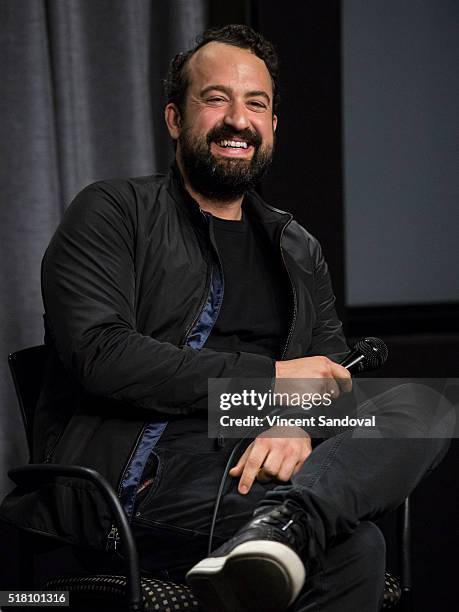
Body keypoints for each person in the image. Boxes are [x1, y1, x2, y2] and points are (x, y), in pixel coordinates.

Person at [0, 25, 452, 612]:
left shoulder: (295, 245)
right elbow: (101, 356)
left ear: (271, 127)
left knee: (430, 405)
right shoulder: (113, 212)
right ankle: (294, 527)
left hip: (268, 459)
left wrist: (293, 424)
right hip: (149, 469)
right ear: (173, 118)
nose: (238, 119)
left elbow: (335, 383)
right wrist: (271, 383)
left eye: (255, 104)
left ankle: (286, 527)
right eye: (216, 99)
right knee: (352, 547)